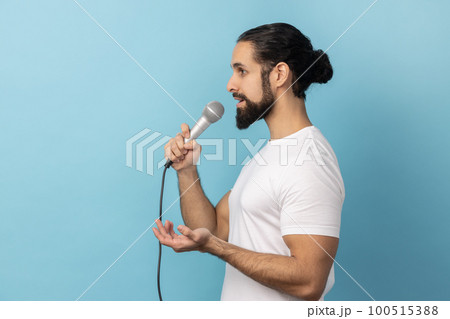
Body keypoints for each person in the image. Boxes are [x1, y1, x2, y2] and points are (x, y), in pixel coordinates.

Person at [152, 23, 345, 301]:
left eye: (242, 71)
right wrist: (186, 171)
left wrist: (217, 248)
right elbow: (215, 228)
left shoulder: (310, 161)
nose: (231, 84)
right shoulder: (267, 155)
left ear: (279, 74)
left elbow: (309, 281)